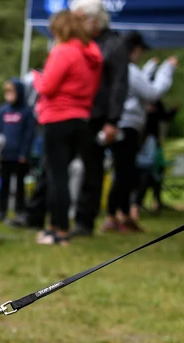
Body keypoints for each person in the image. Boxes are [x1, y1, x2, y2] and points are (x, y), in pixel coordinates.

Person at [31, 10, 102, 246]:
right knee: (60, 173)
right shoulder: (90, 53)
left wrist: (37, 78)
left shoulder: (63, 51)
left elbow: (48, 87)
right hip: (81, 119)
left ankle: (59, 231)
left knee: (57, 176)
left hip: (57, 118)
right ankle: (54, 226)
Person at [104, 34, 176, 234]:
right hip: (127, 127)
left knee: (124, 173)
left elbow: (139, 84)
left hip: (121, 125)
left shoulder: (123, 69)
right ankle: (115, 217)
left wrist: (152, 68)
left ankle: (121, 215)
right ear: (134, 49)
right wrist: (167, 69)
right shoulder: (129, 69)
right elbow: (152, 92)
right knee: (124, 174)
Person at [70, 0, 129, 238]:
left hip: (99, 117)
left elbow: (118, 86)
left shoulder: (114, 45)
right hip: (77, 113)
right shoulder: (83, 44)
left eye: (80, 18)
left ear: (93, 21)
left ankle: (85, 221)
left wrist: (113, 120)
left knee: (91, 170)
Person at [0, 78, 37, 223]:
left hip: (20, 156)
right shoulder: (2, 110)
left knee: (20, 185)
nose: (9, 94)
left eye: (11, 91)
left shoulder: (27, 112)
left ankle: (20, 211)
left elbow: (29, 134)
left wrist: (24, 153)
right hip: (4, 155)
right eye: (7, 91)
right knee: (4, 183)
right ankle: (1, 210)